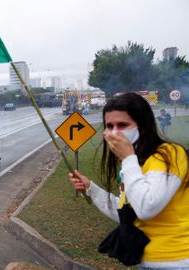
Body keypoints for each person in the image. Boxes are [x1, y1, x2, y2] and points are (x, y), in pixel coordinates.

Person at [68, 92, 189, 268]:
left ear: (143, 127)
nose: (114, 132)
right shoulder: (134, 163)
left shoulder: (168, 154)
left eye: (122, 125)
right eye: (109, 126)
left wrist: (127, 158)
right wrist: (91, 188)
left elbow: (147, 207)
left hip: (178, 261)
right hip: (148, 261)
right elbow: (127, 213)